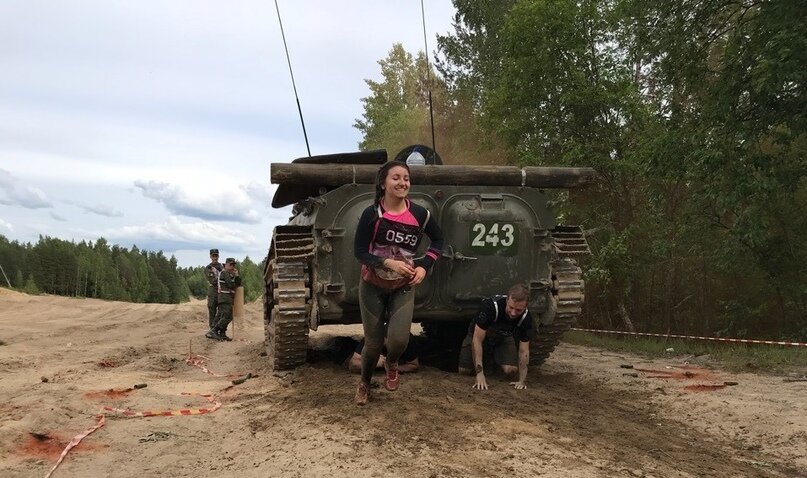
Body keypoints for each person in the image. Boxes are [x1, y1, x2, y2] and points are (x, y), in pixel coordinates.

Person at [353, 160, 443, 405]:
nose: (402, 182)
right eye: (396, 178)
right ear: (383, 183)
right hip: (373, 284)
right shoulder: (371, 214)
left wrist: (424, 266)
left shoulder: (419, 214)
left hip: (403, 286)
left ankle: (393, 362)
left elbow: (438, 240)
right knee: (372, 345)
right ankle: (364, 384)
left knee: (398, 340)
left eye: (406, 178)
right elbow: (360, 252)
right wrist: (387, 263)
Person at [458, 283, 534, 391]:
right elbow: (477, 340)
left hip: (502, 336)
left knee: (511, 370)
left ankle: (492, 367)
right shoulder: (490, 306)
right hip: (478, 335)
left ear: (526, 306)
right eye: (511, 307)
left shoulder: (526, 318)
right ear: (507, 299)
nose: (513, 313)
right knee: (464, 371)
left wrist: (522, 381)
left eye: (518, 310)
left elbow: (524, 350)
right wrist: (479, 374)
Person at [347, 333, 420, 374]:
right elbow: (353, 364)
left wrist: (396, 368)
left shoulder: (406, 339)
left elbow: (414, 365)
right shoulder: (372, 338)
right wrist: (377, 363)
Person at [206, 257, 241, 341]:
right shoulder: (224, 273)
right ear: (226, 265)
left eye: (233, 265)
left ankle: (222, 333)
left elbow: (238, 283)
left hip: (226, 298)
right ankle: (214, 330)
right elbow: (231, 285)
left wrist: (237, 276)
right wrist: (235, 278)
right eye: (231, 264)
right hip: (225, 297)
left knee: (224, 315)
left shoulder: (228, 274)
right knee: (227, 316)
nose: (232, 266)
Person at [204, 249, 223, 330]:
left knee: (221, 311)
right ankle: (212, 329)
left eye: (216, 256)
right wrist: (221, 277)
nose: (215, 257)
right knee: (212, 311)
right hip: (213, 291)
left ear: (218, 256)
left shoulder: (222, 267)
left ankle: (218, 329)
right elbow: (212, 280)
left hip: (221, 291)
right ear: (210, 256)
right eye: (213, 256)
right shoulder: (208, 268)